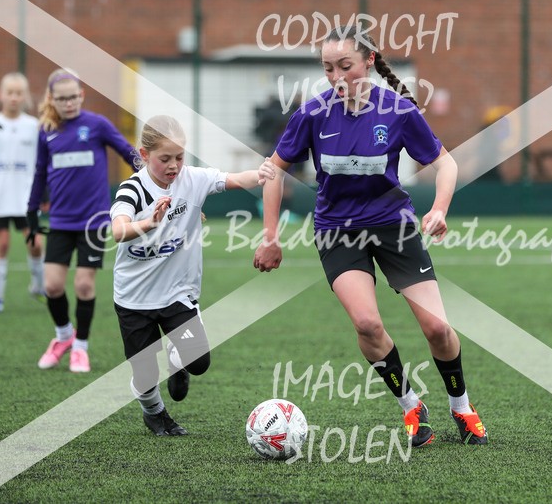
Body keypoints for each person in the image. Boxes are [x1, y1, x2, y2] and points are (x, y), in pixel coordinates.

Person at [253, 26, 488, 447]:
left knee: (436, 328)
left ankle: (462, 406)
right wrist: (270, 235)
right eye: (328, 68)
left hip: (393, 226)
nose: (337, 77)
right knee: (366, 323)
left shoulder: (397, 110)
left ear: (368, 61)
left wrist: (439, 209)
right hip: (337, 231)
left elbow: (446, 165)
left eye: (346, 66)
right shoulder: (312, 113)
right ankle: (410, 406)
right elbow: (273, 171)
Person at [111, 115, 274, 436]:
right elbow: (118, 230)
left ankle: (177, 363)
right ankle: (154, 413)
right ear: (144, 156)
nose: (174, 166)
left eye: (180, 157)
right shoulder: (133, 189)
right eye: (164, 159)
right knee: (144, 376)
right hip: (133, 297)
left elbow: (234, 179)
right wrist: (149, 224)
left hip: (177, 293)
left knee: (198, 363)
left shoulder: (192, 179)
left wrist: (262, 173)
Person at [27, 67, 138, 373]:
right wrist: (32, 212)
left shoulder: (97, 124)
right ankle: (63, 337)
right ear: (52, 99)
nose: (69, 103)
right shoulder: (46, 130)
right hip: (60, 221)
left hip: (93, 222)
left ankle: (81, 348)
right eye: (62, 99)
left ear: (82, 95)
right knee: (51, 286)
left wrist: (146, 174)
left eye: (73, 97)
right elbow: (39, 174)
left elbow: (128, 152)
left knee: (84, 286)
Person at [0, 72, 44, 313]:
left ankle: (38, 285)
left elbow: (41, 164)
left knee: (35, 242)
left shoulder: (34, 127)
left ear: (26, 97)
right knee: (1, 243)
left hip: (26, 198)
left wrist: (44, 197)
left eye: (19, 93)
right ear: (2, 95)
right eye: (10, 92)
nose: (14, 97)